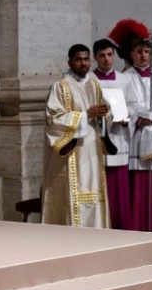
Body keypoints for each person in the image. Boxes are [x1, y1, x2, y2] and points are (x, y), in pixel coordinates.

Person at [109, 18, 152, 232]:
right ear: (130, 54)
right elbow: (123, 106)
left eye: (146, 51)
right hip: (136, 137)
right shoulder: (124, 78)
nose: (143, 55)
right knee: (137, 184)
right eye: (139, 52)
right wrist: (135, 117)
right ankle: (138, 227)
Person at [42, 44, 111, 228]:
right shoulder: (60, 87)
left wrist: (105, 115)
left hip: (92, 150)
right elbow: (53, 119)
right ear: (70, 62)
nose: (83, 63)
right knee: (72, 194)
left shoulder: (95, 85)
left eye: (86, 59)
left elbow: (105, 114)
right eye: (79, 60)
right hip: (72, 151)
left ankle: (96, 232)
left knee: (94, 190)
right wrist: (86, 115)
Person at [92, 38, 133, 229]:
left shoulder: (124, 79)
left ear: (114, 55)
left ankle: (121, 225)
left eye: (109, 55)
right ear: (95, 57)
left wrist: (127, 118)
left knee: (119, 187)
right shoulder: (90, 80)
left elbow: (132, 105)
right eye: (102, 55)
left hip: (118, 135)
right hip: (97, 137)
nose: (106, 59)